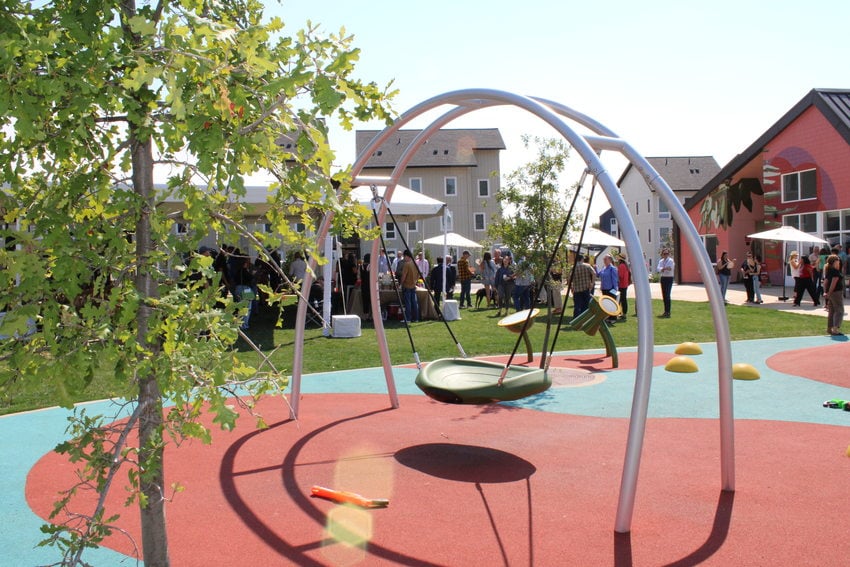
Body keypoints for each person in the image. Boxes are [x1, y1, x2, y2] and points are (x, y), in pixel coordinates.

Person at [823, 254, 845, 335]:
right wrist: (829, 292)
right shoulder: (835, 272)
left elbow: (825, 282)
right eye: (838, 260)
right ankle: (836, 328)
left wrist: (825, 292)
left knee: (832, 311)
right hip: (836, 293)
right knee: (839, 310)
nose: (839, 262)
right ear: (835, 262)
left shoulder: (829, 270)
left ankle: (829, 328)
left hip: (831, 293)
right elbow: (834, 282)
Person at [571, 254, 596, 319]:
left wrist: (571, 287)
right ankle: (585, 318)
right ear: (582, 259)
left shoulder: (572, 267)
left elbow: (569, 278)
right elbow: (594, 273)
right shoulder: (587, 266)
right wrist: (592, 283)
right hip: (586, 288)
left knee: (577, 306)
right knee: (586, 304)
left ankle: (576, 320)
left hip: (577, 289)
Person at [597, 253, 619, 322]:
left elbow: (615, 280)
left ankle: (613, 318)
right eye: (604, 259)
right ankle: (607, 317)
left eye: (605, 259)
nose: (604, 261)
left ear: (610, 260)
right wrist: (596, 268)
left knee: (612, 303)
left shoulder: (612, 269)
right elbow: (599, 275)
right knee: (606, 304)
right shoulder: (604, 268)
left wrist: (615, 290)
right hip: (604, 289)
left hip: (611, 289)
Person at [400, 249, 420, 322]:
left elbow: (404, 276)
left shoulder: (407, 264)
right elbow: (418, 274)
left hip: (407, 286)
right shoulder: (415, 263)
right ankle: (416, 318)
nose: (404, 258)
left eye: (404, 256)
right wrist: (415, 281)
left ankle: (408, 318)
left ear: (406, 256)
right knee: (414, 302)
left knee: (408, 303)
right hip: (413, 285)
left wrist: (401, 284)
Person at [656, 248, 674, 318]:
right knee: (664, 295)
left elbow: (670, 268)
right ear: (662, 254)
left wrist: (663, 269)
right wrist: (663, 269)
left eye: (667, 253)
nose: (665, 255)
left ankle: (668, 311)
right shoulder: (661, 261)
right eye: (664, 254)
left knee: (667, 294)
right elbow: (658, 269)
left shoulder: (670, 260)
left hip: (669, 278)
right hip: (663, 278)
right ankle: (665, 311)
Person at [617, 254, 631, 321]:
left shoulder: (621, 266)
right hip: (625, 285)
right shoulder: (625, 265)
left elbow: (620, 276)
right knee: (623, 299)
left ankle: (622, 313)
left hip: (621, 285)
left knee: (621, 300)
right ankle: (623, 313)